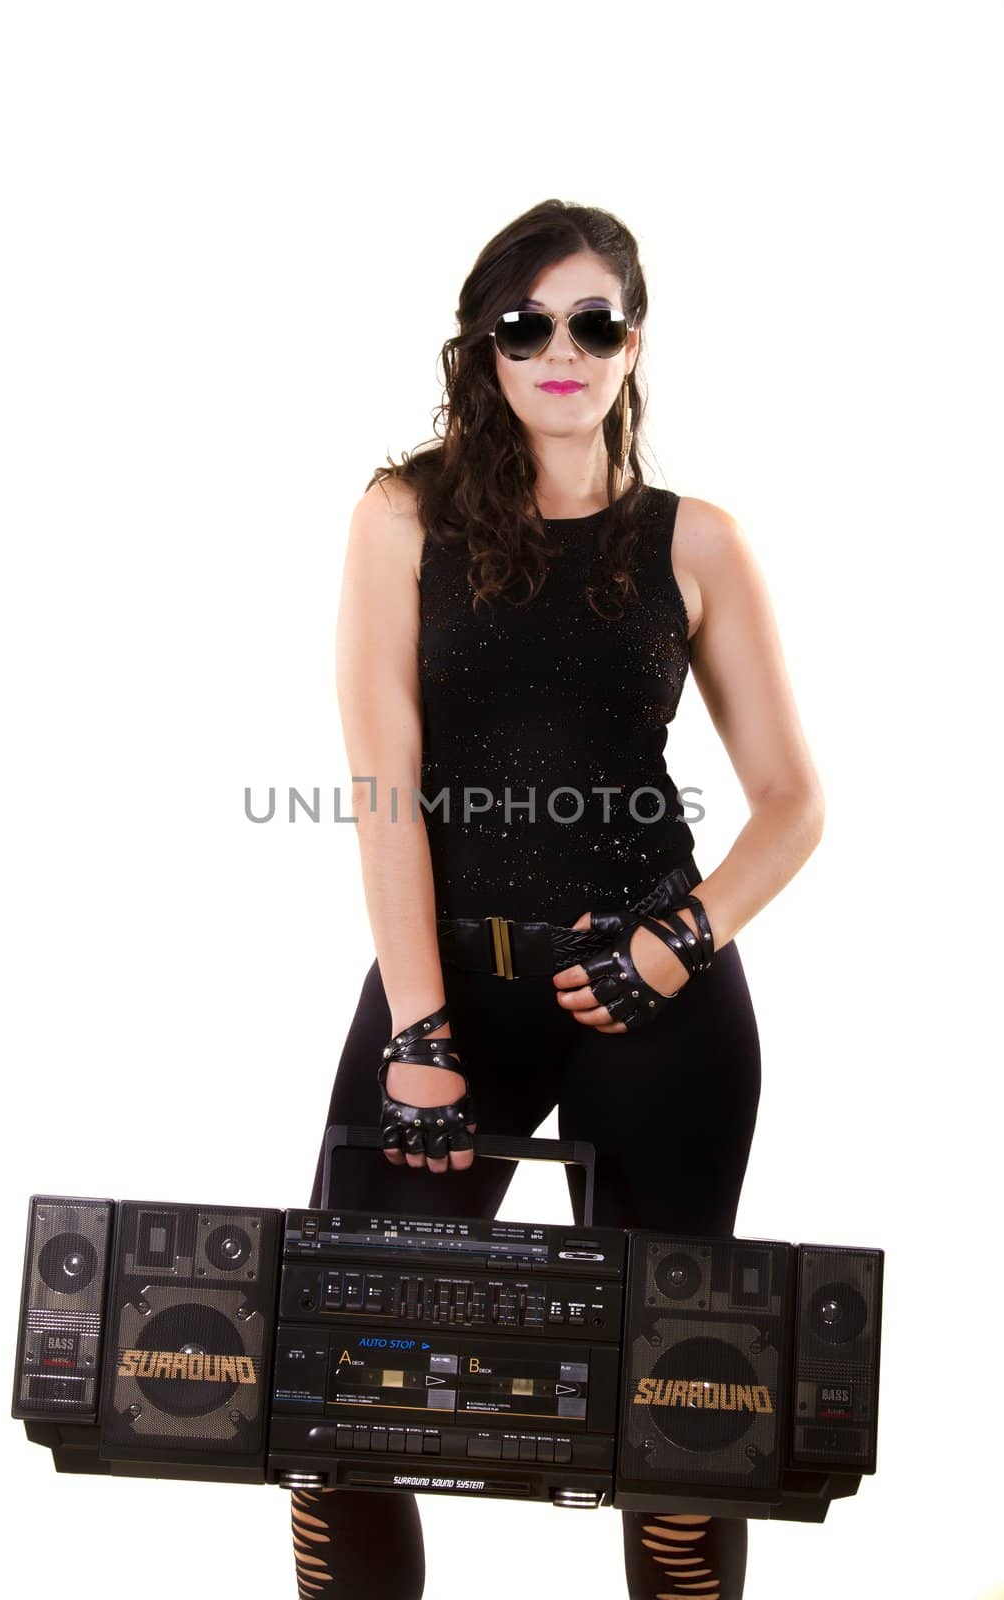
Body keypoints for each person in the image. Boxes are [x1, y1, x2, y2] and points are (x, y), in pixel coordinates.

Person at [294, 199, 825, 1600]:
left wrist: (678, 942)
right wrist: (418, 1034)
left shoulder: (695, 542)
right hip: (451, 986)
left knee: (677, 1403)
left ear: (632, 343)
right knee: (338, 1385)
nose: (562, 349)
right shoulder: (401, 514)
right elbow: (383, 788)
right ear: (486, 344)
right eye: (528, 324)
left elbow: (792, 802)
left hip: (653, 992)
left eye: (594, 322)